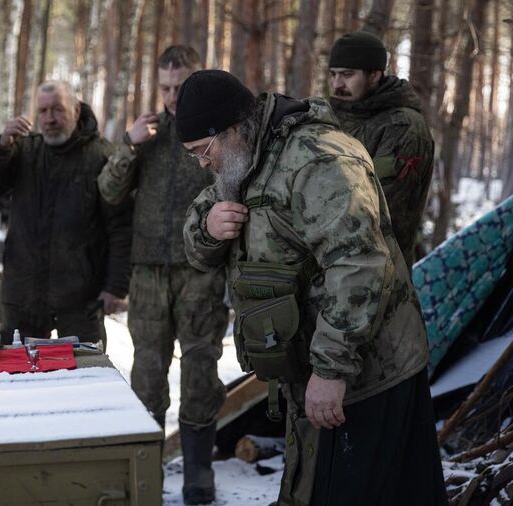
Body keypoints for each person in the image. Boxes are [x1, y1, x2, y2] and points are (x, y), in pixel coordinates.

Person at [179, 70, 447, 506]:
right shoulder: (245, 160)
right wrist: (209, 229)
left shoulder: (318, 159)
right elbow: (196, 236)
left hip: (367, 373)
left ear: (229, 129)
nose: (203, 163)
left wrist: (330, 370)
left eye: (201, 151)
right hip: (309, 374)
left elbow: (359, 263)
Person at [98, 46, 227, 505]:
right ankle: (145, 470)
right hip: (149, 272)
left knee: (200, 370)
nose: (173, 97)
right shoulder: (146, 132)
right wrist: (130, 145)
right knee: (147, 376)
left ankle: (198, 472)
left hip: (201, 272)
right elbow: (109, 192)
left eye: (181, 87)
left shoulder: (216, 130)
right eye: (166, 88)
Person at [0, 81, 131, 347]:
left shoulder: (101, 155)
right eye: (42, 111)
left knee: (85, 378)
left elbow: (121, 225)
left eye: (57, 110)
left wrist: (116, 286)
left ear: (76, 111)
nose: (49, 119)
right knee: (21, 379)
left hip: (81, 297)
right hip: (24, 295)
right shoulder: (24, 150)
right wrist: (1, 144)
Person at [328, 31, 434, 268]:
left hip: (380, 272)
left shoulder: (404, 126)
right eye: (333, 75)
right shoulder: (332, 115)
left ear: (375, 74)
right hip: (332, 268)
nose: (337, 85)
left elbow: (382, 211)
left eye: (347, 75)